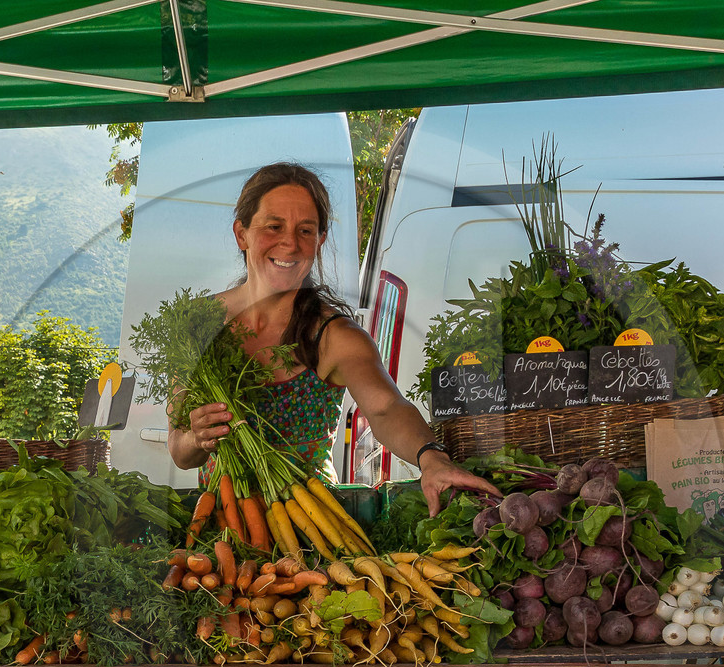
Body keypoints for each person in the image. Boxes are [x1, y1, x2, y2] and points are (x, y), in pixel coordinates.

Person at [167, 162, 497, 516]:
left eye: (306, 230)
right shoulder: (196, 325)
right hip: (221, 526)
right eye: (274, 226)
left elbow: (386, 407)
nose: (290, 243)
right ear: (241, 233)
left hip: (317, 528)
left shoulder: (334, 336)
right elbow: (179, 449)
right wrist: (197, 438)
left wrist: (431, 458)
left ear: (320, 240)